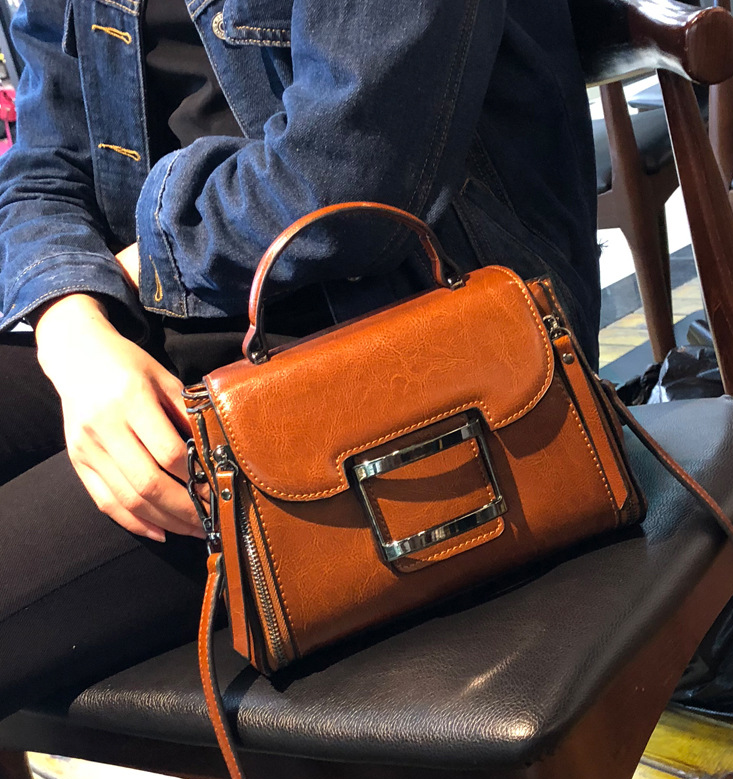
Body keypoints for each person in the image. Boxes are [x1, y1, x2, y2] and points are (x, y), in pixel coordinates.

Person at [0, 0, 600, 716]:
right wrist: (73, 331)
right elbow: (42, 167)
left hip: (394, 324)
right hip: (143, 304)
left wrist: (131, 268)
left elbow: (351, 171)